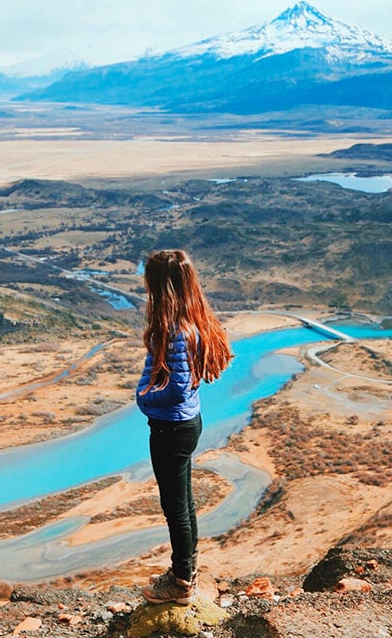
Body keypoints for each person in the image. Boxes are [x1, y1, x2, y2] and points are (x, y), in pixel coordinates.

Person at [136, 249, 233, 605]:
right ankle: (186, 571)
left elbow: (175, 386)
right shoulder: (191, 321)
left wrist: (143, 398)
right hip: (184, 425)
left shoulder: (176, 329)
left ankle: (180, 583)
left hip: (170, 430)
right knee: (184, 503)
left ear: (163, 287)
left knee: (174, 506)